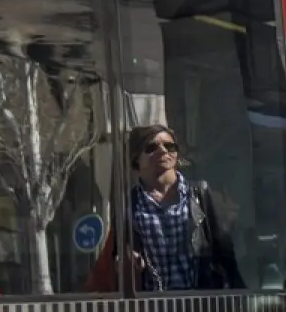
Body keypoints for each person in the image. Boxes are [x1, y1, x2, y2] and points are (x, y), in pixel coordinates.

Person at [86, 124, 244, 293]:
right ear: (136, 158)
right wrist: (127, 263)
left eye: (169, 146)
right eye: (151, 147)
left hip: (199, 304)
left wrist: (239, 294)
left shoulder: (199, 195)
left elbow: (224, 250)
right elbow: (116, 259)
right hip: (152, 308)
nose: (163, 151)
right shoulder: (129, 205)